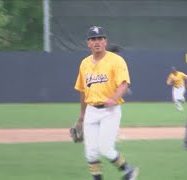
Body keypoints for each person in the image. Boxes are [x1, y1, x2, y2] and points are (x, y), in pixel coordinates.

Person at [74, 26, 138, 180]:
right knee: (91, 153)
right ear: (88, 43)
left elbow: (124, 84)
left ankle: (128, 170)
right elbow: (83, 90)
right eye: (93, 39)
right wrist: (82, 115)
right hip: (91, 110)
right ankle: (122, 173)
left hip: (110, 111)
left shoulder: (116, 60)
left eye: (100, 38)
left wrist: (113, 98)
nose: (97, 42)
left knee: (106, 149)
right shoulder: (84, 64)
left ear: (105, 41)